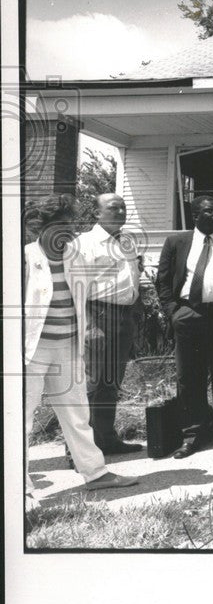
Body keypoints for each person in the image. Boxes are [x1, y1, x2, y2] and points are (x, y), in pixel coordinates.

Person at [24, 195, 139, 516]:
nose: (66, 233)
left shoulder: (75, 255)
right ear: (41, 227)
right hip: (30, 351)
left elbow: (86, 296)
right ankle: (19, 485)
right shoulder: (25, 257)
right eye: (58, 226)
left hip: (67, 346)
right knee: (23, 417)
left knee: (77, 412)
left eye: (69, 226)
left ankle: (95, 473)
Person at [156, 196, 213, 458]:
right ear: (195, 216)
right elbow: (163, 281)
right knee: (189, 378)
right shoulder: (176, 242)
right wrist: (174, 313)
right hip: (189, 315)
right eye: (209, 211)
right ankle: (193, 434)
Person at [65, 193, 143, 455]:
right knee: (91, 384)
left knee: (111, 383)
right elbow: (75, 289)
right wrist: (87, 326)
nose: (120, 211)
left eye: (123, 207)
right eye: (113, 208)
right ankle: (77, 450)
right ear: (97, 213)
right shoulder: (83, 244)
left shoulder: (127, 242)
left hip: (123, 317)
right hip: (96, 315)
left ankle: (106, 439)